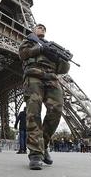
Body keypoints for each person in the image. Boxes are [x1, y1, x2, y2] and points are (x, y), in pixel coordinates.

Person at [18, 24, 70, 170]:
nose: (41, 29)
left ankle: (43, 144)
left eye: (44, 28)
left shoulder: (52, 46)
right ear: (34, 30)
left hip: (51, 78)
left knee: (57, 110)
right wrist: (40, 49)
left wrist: (61, 58)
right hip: (34, 76)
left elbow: (63, 69)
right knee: (33, 113)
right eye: (38, 27)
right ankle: (35, 153)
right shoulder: (29, 41)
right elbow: (22, 55)